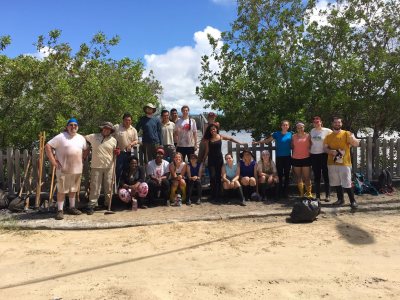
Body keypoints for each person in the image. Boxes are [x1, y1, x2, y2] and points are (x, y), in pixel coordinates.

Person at [45, 118, 88, 220]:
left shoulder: (81, 138)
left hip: (77, 169)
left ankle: (72, 207)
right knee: (62, 190)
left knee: (73, 189)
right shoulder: (61, 137)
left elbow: (86, 149)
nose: (73, 127)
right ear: (67, 126)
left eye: (75, 125)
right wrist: (53, 161)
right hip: (63, 169)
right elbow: (47, 146)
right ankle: (60, 210)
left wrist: (83, 158)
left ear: (77, 127)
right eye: (71, 125)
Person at [323, 117, 360, 208]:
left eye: (339, 122)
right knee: (336, 183)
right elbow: (325, 148)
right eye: (335, 122)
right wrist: (331, 152)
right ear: (332, 124)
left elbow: (356, 144)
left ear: (341, 124)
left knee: (347, 182)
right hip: (332, 163)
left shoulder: (347, 133)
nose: (337, 124)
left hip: (344, 163)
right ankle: (340, 200)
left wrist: (353, 139)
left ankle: (353, 201)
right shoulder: (328, 136)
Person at [85, 122, 119, 215]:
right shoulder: (93, 136)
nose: (106, 130)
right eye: (105, 128)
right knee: (95, 186)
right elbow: (82, 137)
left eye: (108, 129)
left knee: (108, 186)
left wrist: (117, 152)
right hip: (96, 166)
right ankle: (92, 205)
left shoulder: (114, 140)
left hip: (109, 166)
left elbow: (116, 151)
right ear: (102, 128)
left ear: (111, 131)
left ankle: (108, 204)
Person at [202, 123, 243, 201]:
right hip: (211, 159)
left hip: (219, 159)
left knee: (218, 177)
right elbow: (207, 150)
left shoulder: (220, 136)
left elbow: (230, 138)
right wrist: (204, 159)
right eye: (211, 130)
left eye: (214, 129)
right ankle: (212, 195)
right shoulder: (208, 139)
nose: (213, 130)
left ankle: (218, 195)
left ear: (216, 129)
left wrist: (240, 143)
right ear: (210, 131)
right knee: (212, 177)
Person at [253, 120, 292, 198]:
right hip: (279, 157)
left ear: (288, 126)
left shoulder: (291, 134)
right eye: (283, 125)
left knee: (287, 175)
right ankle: (279, 192)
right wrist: (258, 142)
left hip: (288, 157)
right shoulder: (276, 134)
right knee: (280, 175)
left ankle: (286, 193)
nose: (285, 126)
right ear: (281, 126)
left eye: (286, 125)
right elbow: (267, 140)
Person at [310, 116, 332, 201]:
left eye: (318, 122)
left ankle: (328, 195)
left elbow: (333, 139)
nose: (316, 123)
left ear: (321, 122)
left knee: (326, 175)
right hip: (314, 155)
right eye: (315, 122)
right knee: (317, 176)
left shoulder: (327, 131)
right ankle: (318, 196)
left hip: (324, 155)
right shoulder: (312, 131)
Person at [113, 113, 139, 185]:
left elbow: (136, 140)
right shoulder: (116, 127)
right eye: (126, 120)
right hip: (119, 153)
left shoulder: (133, 130)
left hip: (129, 154)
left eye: (129, 120)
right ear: (123, 120)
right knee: (118, 170)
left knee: (127, 171)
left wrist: (131, 144)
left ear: (131, 121)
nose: (127, 122)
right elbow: (110, 137)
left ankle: (126, 188)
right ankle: (117, 189)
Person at [291, 122, 312, 198]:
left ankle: (309, 193)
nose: (300, 129)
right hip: (296, 159)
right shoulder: (293, 136)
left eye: (301, 127)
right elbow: (292, 146)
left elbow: (312, 145)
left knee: (307, 177)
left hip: (306, 158)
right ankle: (301, 193)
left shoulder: (308, 136)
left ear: (304, 127)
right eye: (298, 128)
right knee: (299, 177)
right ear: (296, 129)